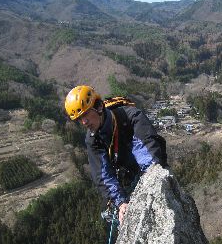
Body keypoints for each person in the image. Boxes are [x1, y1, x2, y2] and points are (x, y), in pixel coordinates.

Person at [64, 85, 167, 223]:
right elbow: (102, 174)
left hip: (147, 169)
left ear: (99, 106)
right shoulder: (93, 139)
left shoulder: (131, 117)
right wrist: (121, 203)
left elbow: (145, 150)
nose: (84, 122)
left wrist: (150, 177)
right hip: (128, 176)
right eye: (79, 119)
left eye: (86, 114)